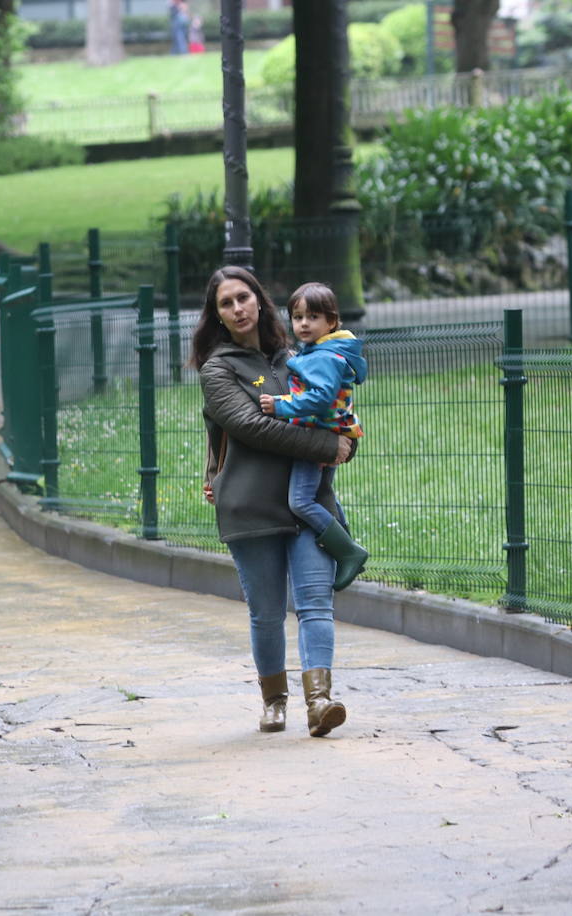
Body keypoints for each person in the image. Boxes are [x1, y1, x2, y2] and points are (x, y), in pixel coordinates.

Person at [193, 266, 354, 738]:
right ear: (217, 315)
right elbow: (251, 428)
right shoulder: (218, 370)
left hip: (309, 503)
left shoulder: (302, 356)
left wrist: (347, 440)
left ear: (260, 301)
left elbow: (337, 410)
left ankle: (320, 702)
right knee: (266, 613)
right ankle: (273, 700)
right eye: (227, 303)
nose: (238, 308)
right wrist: (327, 448)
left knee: (315, 605)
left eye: (244, 297)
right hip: (250, 506)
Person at [258, 282, 369, 591]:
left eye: (313, 316)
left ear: (331, 322)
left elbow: (320, 398)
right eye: (297, 317)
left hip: (318, 436)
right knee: (322, 494)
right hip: (326, 431)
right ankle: (347, 543)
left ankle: (347, 551)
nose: (304, 323)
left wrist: (281, 406)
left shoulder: (324, 356)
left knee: (301, 501)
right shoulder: (323, 351)